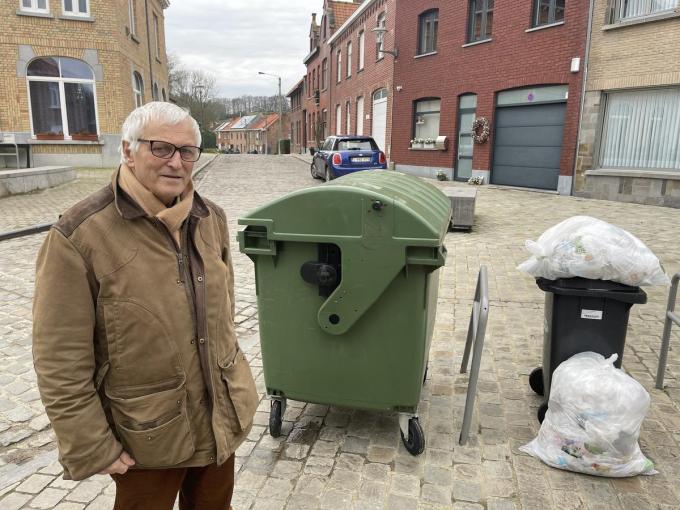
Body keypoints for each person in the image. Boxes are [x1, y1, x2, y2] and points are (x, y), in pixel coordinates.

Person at [32, 102, 259, 510]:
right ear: (127, 151)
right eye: (161, 148)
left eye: (188, 151)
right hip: (147, 434)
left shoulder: (211, 218)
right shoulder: (78, 235)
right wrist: (92, 443)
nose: (176, 162)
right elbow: (59, 357)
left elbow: (224, 312)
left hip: (219, 419)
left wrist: (238, 390)